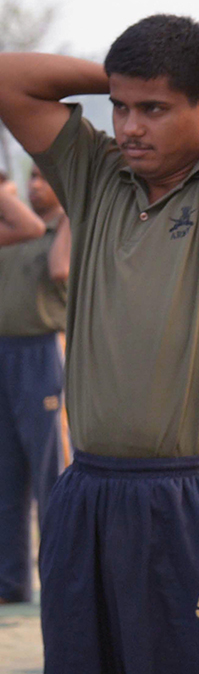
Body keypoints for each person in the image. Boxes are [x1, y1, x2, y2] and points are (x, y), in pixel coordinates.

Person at [0, 14, 199, 672]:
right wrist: (118, 78)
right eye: (121, 107)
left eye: (154, 108)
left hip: (196, 496)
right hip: (89, 491)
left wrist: (180, 67)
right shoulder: (96, 175)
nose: (130, 126)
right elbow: (7, 78)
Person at [0, 165, 70, 605]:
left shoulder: (67, 228)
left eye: (46, 177)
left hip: (43, 353)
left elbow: (61, 270)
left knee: (52, 476)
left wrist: (70, 216)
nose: (36, 185)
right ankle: (11, 583)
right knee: (6, 478)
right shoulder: (15, 231)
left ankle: (63, 579)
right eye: (33, 178)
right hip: (4, 352)